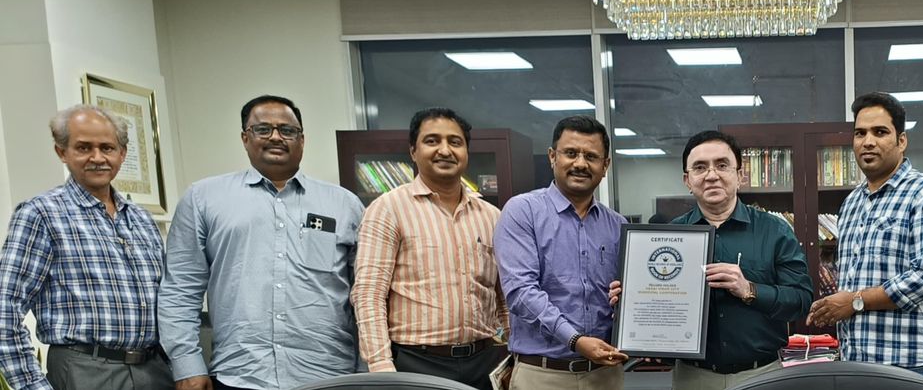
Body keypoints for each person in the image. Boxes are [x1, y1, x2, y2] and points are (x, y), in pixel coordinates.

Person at [160, 95, 366, 390]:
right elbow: (180, 289)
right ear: (245, 138)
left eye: (287, 130)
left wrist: (367, 368)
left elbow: (365, 295)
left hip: (330, 374)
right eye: (263, 129)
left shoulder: (345, 205)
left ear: (302, 140)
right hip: (241, 374)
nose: (276, 137)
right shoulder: (203, 198)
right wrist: (187, 365)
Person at [607, 130, 813, 390]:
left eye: (722, 165)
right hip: (693, 378)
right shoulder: (667, 237)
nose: (712, 175)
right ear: (687, 180)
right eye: (700, 167)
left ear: (740, 175)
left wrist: (750, 290)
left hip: (761, 374)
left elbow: (801, 301)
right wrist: (631, 300)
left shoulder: (774, 230)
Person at [0, 106, 170, 390]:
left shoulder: (141, 219)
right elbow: (5, 308)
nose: (97, 158)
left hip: (154, 370)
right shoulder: (41, 214)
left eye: (107, 148)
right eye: (83, 148)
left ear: (122, 154)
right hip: (85, 371)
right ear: (62, 152)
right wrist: (31, 385)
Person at [806, 92, 923, 385]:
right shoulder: (851, 203)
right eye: (860, 133)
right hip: (856, 367)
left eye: (880, 132)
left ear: (901, 141)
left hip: (912, 368)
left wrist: (855, 301)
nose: (868, 141)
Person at [352, 108, 507, 389]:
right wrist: (382, 367)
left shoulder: (491, 216)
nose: (445, 150)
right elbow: (369, 294)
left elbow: (504, 295)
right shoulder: (388, 209)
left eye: (455, 142)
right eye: (432, 141)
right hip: (416, 363)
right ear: (413, 151)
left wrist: (513, 348)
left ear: (466, 152)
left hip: (483, 361)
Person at [497, 116, 627, 390]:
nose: (580, 163)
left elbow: (624, 295)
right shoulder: (523, 211)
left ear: (605, 166)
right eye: (571, 153)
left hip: (605, 375)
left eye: (591, 156)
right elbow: (521, 292)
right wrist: (575, 340)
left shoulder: (617, 225)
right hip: (543, 375)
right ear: (552, 157)